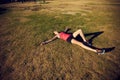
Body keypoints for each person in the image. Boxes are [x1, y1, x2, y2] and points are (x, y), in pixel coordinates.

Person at [41, 28, 105, 55]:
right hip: (69, 39)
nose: (55, 32)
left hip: (71, 35)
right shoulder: (57, 36)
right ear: (55, 34)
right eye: (54, 32)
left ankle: (85, 41)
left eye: (55, 31)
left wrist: (67, 29)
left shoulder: (61, 32)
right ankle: (96, 51)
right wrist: (45, 42)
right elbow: (51, 40)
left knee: (80, 30)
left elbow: (65, 30)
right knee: (80, 44)